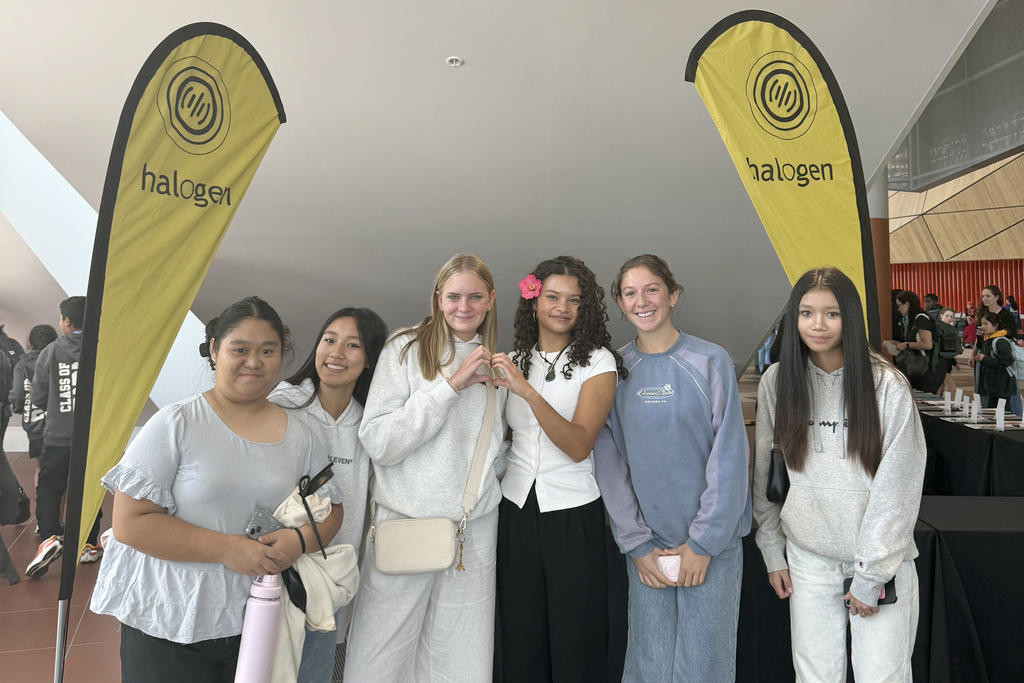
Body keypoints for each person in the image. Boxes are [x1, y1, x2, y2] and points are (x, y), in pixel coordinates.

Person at [89, 296, 343, 682]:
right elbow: (130, 523)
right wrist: (228, 549)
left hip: (256, 617)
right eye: (239, 349)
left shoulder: (302, 437)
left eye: (267, 351)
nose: (253, 362)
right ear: (214, 350)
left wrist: (298, 540)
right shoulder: (177, 423)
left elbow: (332, 509)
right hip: (169, 619)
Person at [753, 266, 926, 682]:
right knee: (814, 676)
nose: (818, 324)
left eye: (831, 313)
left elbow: (897, 488)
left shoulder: (886, 384)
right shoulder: (778, 381)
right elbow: (766, 474)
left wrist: (869, 577)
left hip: (878, 566)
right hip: (808, 560)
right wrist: (772, 547)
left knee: (881, 676)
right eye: (806, 312)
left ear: (850, 317)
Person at [345, 253, 509, 683]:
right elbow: (379, 441)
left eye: (475, 296)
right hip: (406, 520)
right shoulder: (406, 348)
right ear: (438, 298)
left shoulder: (497, 364)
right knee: (380, 656)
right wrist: (450, 387)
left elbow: (495, 447)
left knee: (461, 656)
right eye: (454, 296)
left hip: (473, 527)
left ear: (491, 300)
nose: (464, 306)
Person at [594, 254, 751, 683]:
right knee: (650, 666)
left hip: (710, 548)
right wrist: (637, 545)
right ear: (621, 304)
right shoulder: (615, 370)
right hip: (648, 546)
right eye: (630, 293)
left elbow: (730, 456)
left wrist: (703, 543)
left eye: (652, 290)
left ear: (672, 295)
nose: (642, 301)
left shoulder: (710, 361)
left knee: (703, 667)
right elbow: (610, 464)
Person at [491, 256, 626, 683]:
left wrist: (527, 392)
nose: (562, 307)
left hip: (573, 513)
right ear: (534, 301)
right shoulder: (513, 359)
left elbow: (577, 444)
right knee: (520, 634)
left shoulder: (599, 362)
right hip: (514, 509)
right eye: (552, 296)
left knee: (575, 637)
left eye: (573, 300)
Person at [269, 306, 387, 683]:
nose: (336, 353)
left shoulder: (371, 425)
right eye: (329, 340)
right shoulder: (283, 404)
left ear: (369, 360)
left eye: (352, 345)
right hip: (276, 568)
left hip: (335, 580)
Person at [26, 297, 106, 576]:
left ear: (67, 321)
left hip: (57, 437)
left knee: (49, 488)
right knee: (87, 489)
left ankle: (48, 537)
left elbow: (38, 397)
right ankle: (88, 543)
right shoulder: (100, 349)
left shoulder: (50, 352)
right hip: (93, 438)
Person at [8, 324, 59, 475]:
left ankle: (42, 498)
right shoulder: (60, 358)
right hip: (60, 424)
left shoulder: (22, 364)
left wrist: (18, 408)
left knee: (41, 469)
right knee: (64, 471)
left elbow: (17, 394)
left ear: (30, 344)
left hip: (35, 425)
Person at [889, 290, 943, 394]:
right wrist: (897, 343)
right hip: (921, 370)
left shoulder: (921, 319)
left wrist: (907, 344)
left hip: (928, 370)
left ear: (908, 304)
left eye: (900, 305)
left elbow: (928, 345)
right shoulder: (912, 320)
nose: (899, 309)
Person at [974, 310, 1019, 414]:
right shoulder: (987, 339)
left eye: (986, 323)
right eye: (981, 324)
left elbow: (1006, 362)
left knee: (1002, 414)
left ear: (995, 325)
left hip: (1002, 385)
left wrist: (984, 359)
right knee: (993, 413)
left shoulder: (1001, 341)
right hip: (993, 385)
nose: (983, 326)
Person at [934, 308, 962, 396]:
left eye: (951, 317)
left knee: (942, 387)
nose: (949, 318)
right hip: (940, 364)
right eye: (947, 316)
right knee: (950, 388)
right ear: (941, 316)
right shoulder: (938, 330)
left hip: (946, 364)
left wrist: (954, 362)